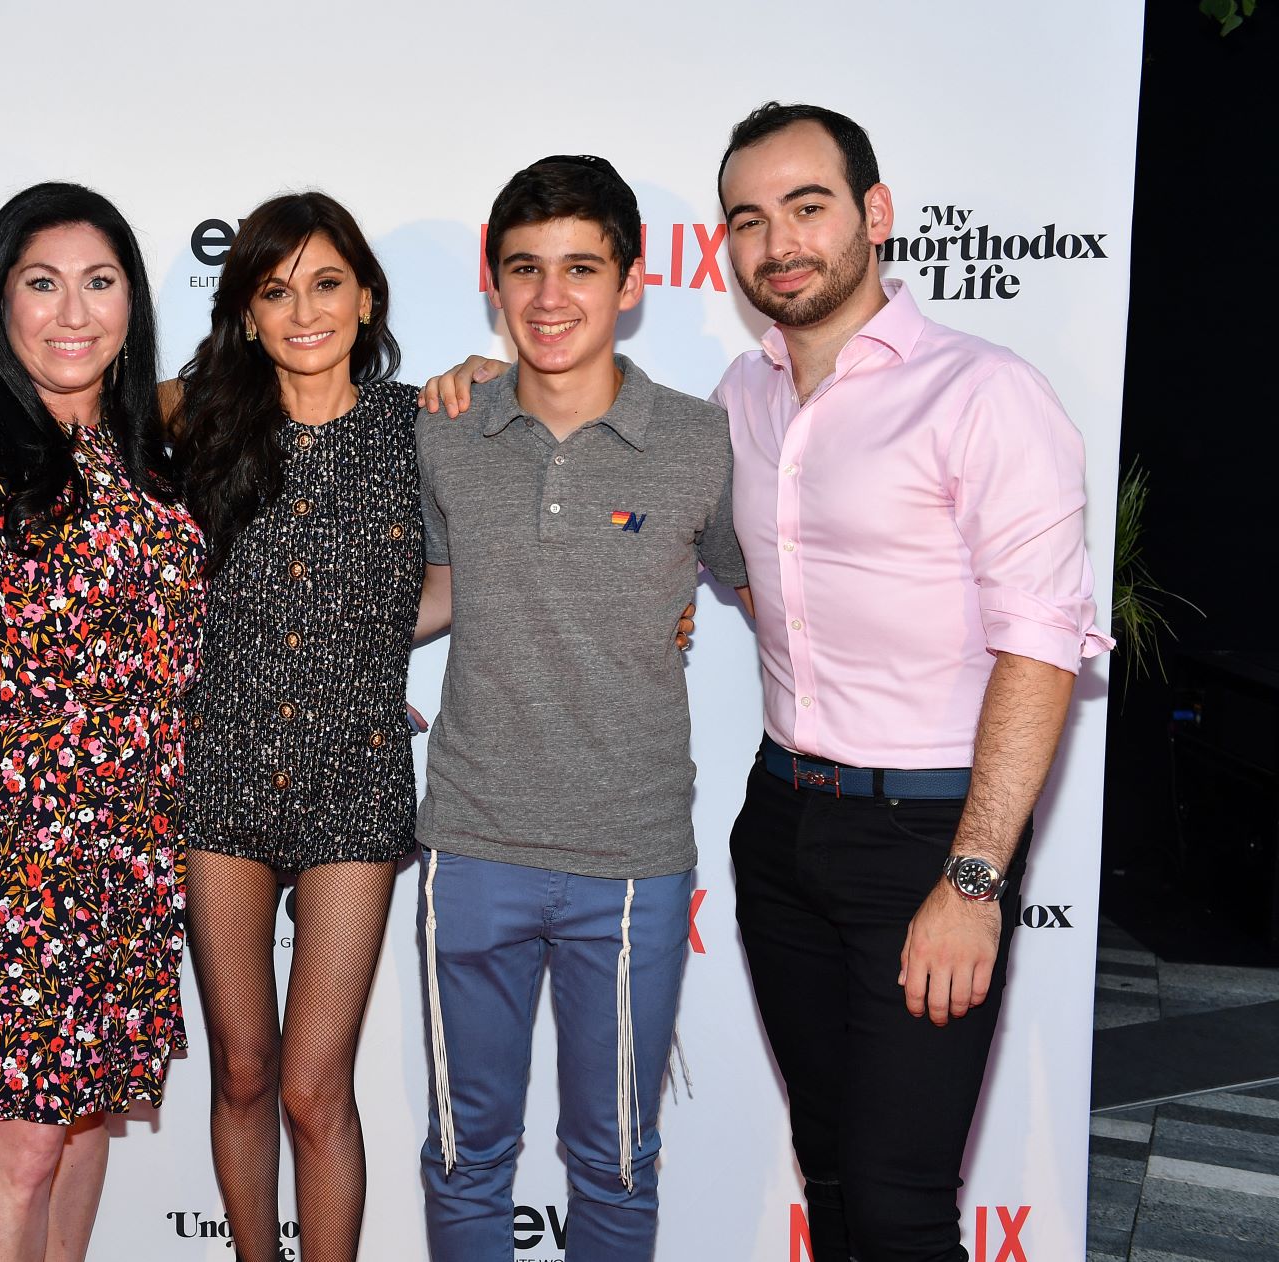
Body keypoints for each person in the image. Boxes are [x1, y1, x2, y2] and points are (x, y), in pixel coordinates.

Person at [712, 102, 1109, 1261]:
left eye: (806, 206)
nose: (778, 240)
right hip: (778, 822)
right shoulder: (741, 398)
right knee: (828, 1169)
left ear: (873, 215)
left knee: (897, 1201)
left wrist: (973, 878)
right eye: (748, 218)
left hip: (929, 836)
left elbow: (1039, 646)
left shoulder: (984, 393)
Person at [412, 155, 750, 1261]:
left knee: (613, 1158)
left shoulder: (702, 439)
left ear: (631, 282)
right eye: (524, 269)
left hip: (629, 857)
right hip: (469, 844)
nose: (549, 297)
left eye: (579, 268)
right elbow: (415, 593)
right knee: (466, 1153)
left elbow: (768, 596)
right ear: (491, 282)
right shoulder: (442, 428)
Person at [0, 182, 204, 1262]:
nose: (74, 311)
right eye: (43, 282)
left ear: (131, 300)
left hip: (132, 857)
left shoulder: (145, 455)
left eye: (99, 282)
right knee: (20, 1148)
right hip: (9, 858)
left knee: (82, 1120)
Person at [167, 191, 437, 1262]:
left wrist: (363, 635)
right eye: (274, 291)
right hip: (218, 769)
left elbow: (478, 564)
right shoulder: (192, 417)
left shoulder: (422, 423)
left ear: (365, 299)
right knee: (241, 1065)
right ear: (244, 313)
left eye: (326, 283)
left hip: (353, 777)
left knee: (316, 1081)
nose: (303, 310)